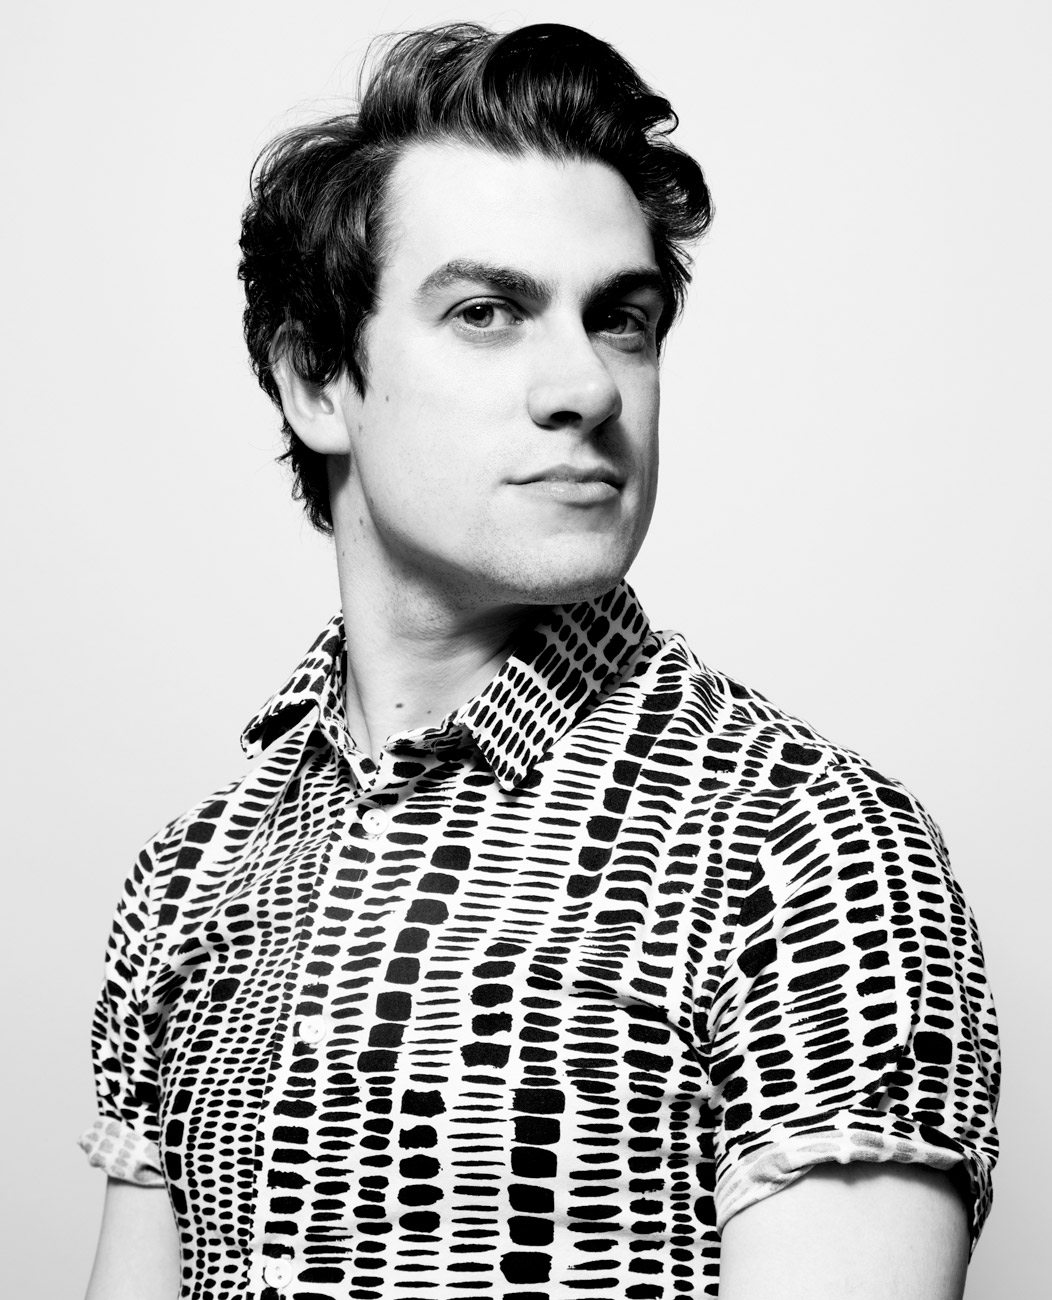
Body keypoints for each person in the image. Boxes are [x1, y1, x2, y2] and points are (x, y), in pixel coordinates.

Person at [80, 22, 999, 1300]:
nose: (586, 387)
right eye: (486, 312)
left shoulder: (802, 844)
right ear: (314, 381)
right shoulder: (188, 878)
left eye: (620, 320)